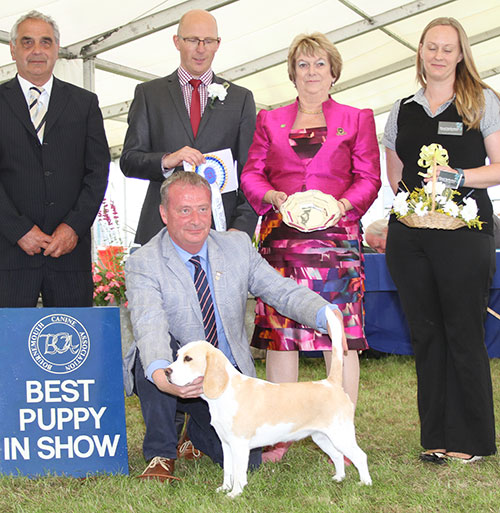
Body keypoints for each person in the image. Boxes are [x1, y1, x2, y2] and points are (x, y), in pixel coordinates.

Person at [124, 171, 344, 482]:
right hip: (176, 364)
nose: (196, 220)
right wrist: (163, 377)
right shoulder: (144, 262)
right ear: (164, 213)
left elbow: (281, 290)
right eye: (184, 210)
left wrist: (325, 314)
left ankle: (194, 434)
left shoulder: (237, 245)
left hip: (229, 381)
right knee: (153, 362)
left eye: (203, 209)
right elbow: (149, 324)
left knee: (249, 464)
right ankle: (161, 453)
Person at [240, 32, 381, 462]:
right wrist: (272, 197)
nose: (312, 72)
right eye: (303, 65)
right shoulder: (269, 119)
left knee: (339, 335)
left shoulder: (357, 118)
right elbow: (251, 175)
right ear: (292, 73)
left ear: (334, 72)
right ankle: (280, 437)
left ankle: (341, 430)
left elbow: (369, 178)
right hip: (282, 244)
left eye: (320, 64)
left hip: (336, 244)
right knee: (282, 337)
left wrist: (342, 205)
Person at [382, 17, 499, 463]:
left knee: (463, 333)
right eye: (431, 47)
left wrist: (458, 178)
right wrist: (415, 204)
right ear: (421, 52)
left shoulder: (482, 102)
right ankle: (435, 437)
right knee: (426, 335)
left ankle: (471, 441)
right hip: (410, 238)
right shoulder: (402, 108)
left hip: (465, 235)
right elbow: (394, 171)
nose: (438, 55)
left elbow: (499, 166)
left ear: (461, 54)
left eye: (447, 48)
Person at [120, 9, 258, 245]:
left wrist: (240, 229)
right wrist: (167, 160)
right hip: (159, 232)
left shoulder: (241, 98)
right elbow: (129, 160)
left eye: (208, 41)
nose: (201, 48)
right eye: (192, 40)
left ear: (218, 44)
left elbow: (251, 172)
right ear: (177, 42)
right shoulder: (149, 94)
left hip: (220, 233)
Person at [0, 11, 109, 307]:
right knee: (7, 350)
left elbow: (98, 172)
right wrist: (17, 229)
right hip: (8, 255)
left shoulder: (85, 104)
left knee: (71, 349)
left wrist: (73, 227)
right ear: (12, 49)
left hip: (69, 256)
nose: (37, 50)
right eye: (27, 42)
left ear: (57, 49)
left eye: (45, 42)